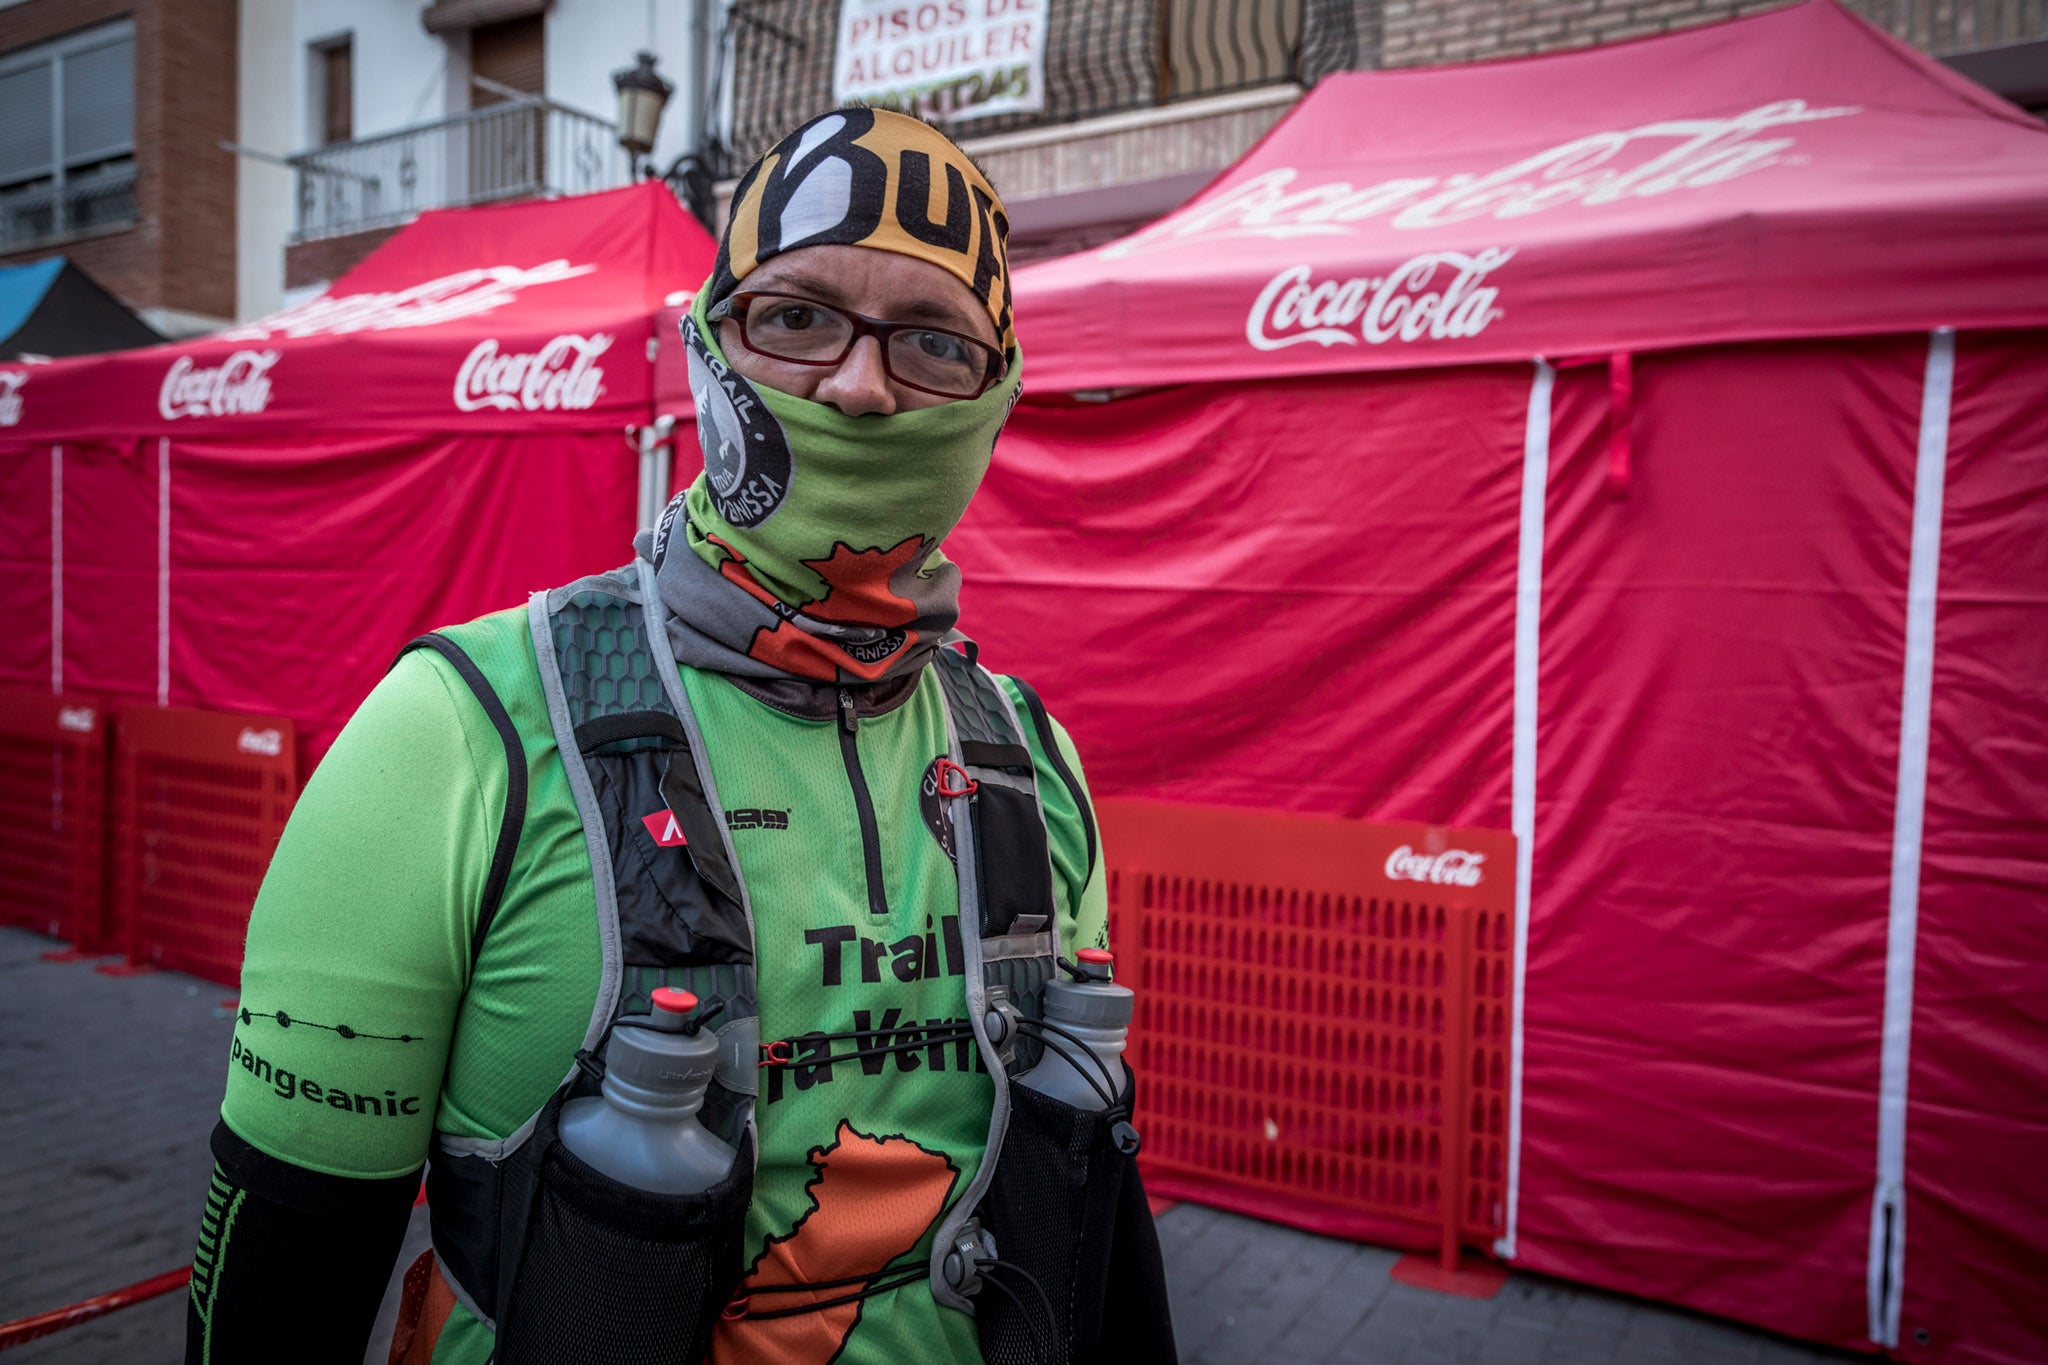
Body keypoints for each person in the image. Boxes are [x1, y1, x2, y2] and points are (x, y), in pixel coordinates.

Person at [185, 107, 1174, 1365]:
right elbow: (278, 1292)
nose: (860, 388)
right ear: (713, 343)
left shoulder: (1026, 755)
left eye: (931, 342)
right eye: (797, 317)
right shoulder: (458, 730)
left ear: (995, 393)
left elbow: (1088, 1213)